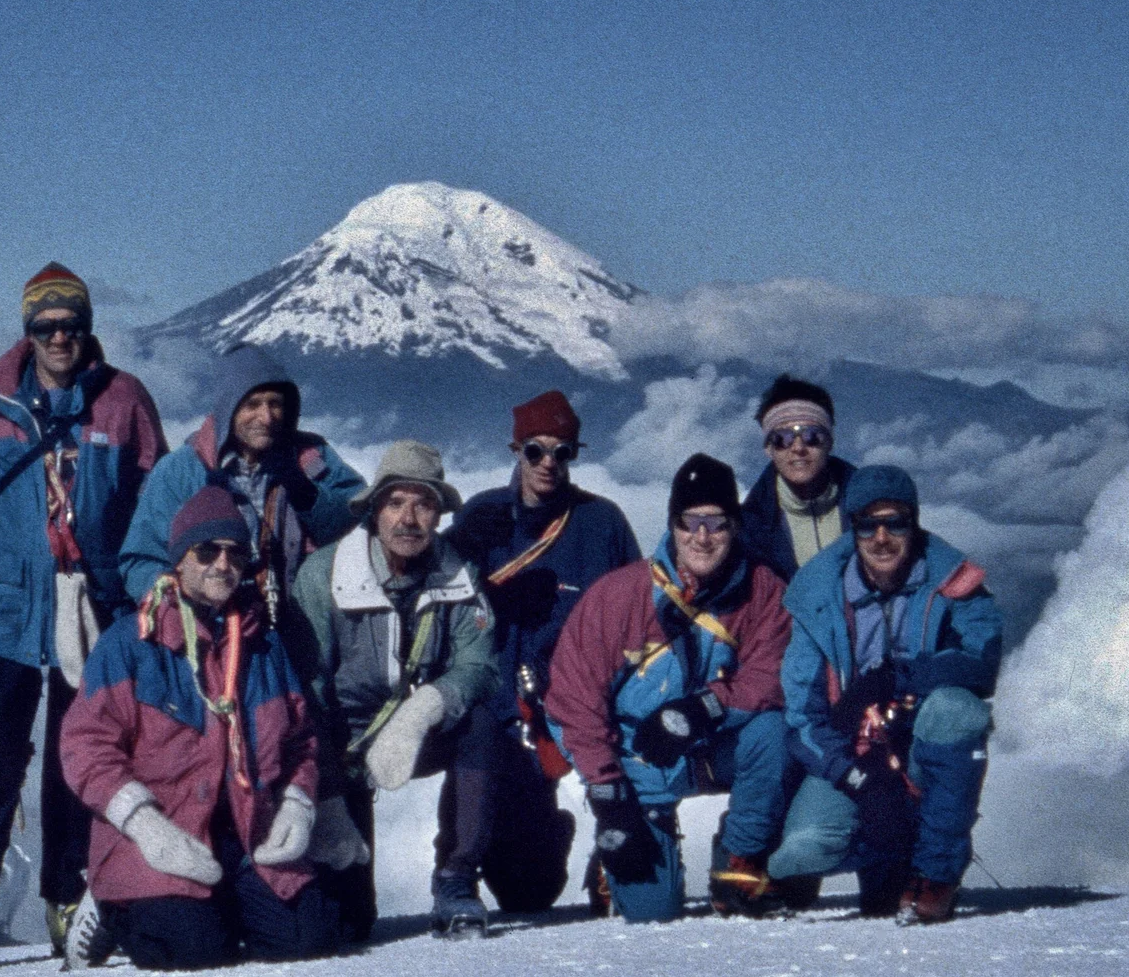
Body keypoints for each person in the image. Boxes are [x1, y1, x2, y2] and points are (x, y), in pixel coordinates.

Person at [0, 263, 168, 973]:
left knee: (77, 758)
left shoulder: (123, 401)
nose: (60, 337)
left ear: (88, 329)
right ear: (27, 331)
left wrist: (145, 597)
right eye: (46, 326)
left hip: (93, 610)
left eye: (72, 324)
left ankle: (67, 896)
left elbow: (155, 501)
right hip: (0, 613)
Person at [57, 486, 350, 971]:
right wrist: (145, 826)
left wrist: (297, 804)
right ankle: (110, 907)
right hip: (160, 831)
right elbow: (85, 746)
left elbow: (301, 741)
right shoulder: (130, 642)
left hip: (245, 828)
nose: (222, 564)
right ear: (179, 560)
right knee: (191, 951)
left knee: (308, 939)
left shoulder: (264, 646)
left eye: (236, 554)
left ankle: (220, 907)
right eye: (207, 550)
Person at [543, 454, 795, 922]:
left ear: (735, 527)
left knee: (775, 734)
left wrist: (706, 708)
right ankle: (613, 864)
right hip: (636, 755)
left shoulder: (762, 591)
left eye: (717, 522)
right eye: (689, 521)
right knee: (653, 912)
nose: (702, 536)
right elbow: (573, 700)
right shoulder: (621, 595)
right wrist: (607, 793)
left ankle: (739, 861)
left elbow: (770, 675)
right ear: (673, 526)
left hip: (714, 743)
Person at [281, 440, 499, 939]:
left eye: (423, 503)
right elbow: (305, 693)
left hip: (416, 731)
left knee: (482, 723)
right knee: (350, 923)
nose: (408, 519)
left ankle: (457, 878)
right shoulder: (326, 577)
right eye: (395, 502)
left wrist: (426, 706)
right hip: (341, 745)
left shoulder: (458, 576)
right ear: (374, 510)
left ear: (440, 514)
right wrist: (330, 792)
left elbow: (479, 665)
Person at [766, 465, 1002, 924]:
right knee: (800, 853)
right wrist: (858, 780)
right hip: (854, 754)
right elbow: (802, 716)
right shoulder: (818, 595)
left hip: (919, 750)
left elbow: (982, 660)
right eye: (866, 524)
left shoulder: (951, 580)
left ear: (913, 523)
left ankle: (937, 872)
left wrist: (904, 676)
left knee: (957, 711)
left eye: (894, 522)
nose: (881, 537)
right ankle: (888, 856)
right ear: (852, 529)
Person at [449, 390, 640, 915]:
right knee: (514, 882)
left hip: (571, 713)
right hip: (494, 714)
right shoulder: (482, 516)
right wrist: (460, 545)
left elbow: (637, 616)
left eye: (564, 452)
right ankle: (456, 871)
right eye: (536, 450)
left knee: (529, 893)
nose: (549, 464)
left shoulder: (602, 524)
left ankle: (595, 842)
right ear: (515, 449)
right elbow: (430, 594)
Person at [118, 345, 364, 620]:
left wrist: (307, 494)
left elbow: (361, 514)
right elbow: (142, 558)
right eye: (252, 404)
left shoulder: (312, 459)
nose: (267, 417)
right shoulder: (181, 472)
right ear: (229, 409)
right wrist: (175, 610)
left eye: (275, 404)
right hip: (213, 627)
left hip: (303, 622)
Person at [738, 374, 858, 581]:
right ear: (768, 449)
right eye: (782, 439)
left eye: (812, 436)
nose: (798, 448)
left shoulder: (869, 506)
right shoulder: (748, 528)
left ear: (829, 442)